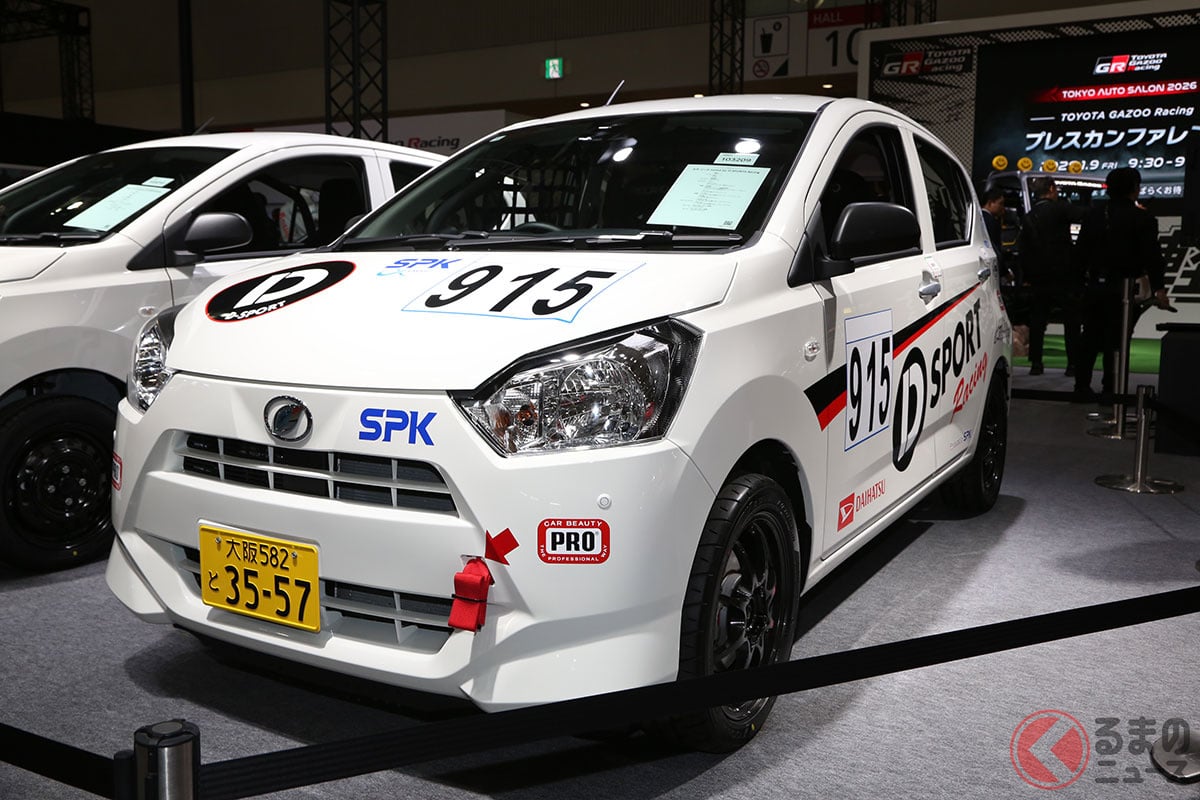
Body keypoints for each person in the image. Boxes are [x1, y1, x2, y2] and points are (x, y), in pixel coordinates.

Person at [1073, 166, 1173, 402]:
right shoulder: (1143, 218)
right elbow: (1152, 257)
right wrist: (1159, 288)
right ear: (1135, 188)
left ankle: (1081, 386)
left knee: (1090, 337)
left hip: (1094, 286)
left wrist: (1077, 284)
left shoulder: (1093, 215)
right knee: (1118, 340)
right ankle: (1112, 388)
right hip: (1125, 288)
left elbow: (1080, 253)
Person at [1017, 177, 1083, 376]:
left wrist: (1027, 276)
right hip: (1064, 275)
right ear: (1052, 189)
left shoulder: (1029, 216)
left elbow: (1024, 250)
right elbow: (1084, 215)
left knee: (1038, 321)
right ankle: (1073, 364)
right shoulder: (1061, 209)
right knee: (1071, 321)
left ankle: (1036, 364)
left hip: (1038, 278)